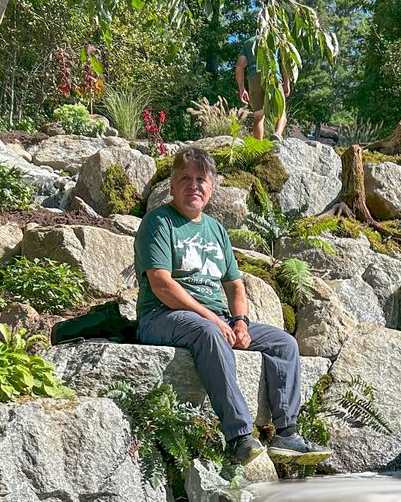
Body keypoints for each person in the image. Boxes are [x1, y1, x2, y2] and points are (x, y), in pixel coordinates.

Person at [134, 146, 329, 466]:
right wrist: (215, 319)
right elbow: (162, 285)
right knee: (209, 332)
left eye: (201, 179)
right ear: (171, 185)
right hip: (161, 316)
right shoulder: (158, 223)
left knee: (284, 343)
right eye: (185, 178)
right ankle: (239, 436)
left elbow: (235, 285)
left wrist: (239, 321)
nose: (193, 185)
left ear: (210, 188)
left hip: (216, 317)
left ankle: (286, 434)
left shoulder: (215, 230)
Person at [236, 37, 291, 141]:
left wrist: (242, 89)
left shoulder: (248, 42)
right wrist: (287, 83)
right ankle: (277, 134)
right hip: (272, 75)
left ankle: (258, 146)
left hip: (254, 77)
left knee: (258, 115)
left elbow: (240, 66)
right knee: (281, 110)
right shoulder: (275, 38)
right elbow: (284, 62)